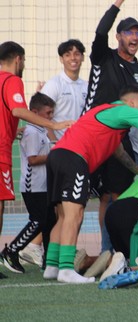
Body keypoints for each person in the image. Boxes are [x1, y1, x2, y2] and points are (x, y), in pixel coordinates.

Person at [42, 85, 138, 284]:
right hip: (74, 158)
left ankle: (52, 265)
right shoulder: (124, 111)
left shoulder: (107, 114)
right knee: (76, 215)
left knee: (64, 216)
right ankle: (66, 269)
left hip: (58, 156)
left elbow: (118, 152)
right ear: (131, 102)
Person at [82, 0, 138, 254]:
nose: (134, 36)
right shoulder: (104, 57)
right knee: (75, 198)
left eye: (137, 32)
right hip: (91, 135)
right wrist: (116, 5)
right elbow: (99, 32)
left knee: (114, 195)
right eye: (129, 32)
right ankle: (53, 253)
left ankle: (111, 251)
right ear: (118, 36)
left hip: (119, 140)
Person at [0, 41, 73, 279]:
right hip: (3, 158)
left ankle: (42, 258)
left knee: (47, 217)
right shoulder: (11, 81)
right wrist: (54, 124)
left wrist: (14, 132)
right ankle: (12, 251)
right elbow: (18, 111)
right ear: (18, 59)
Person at [1, 93, 57, 274]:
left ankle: (49, 261)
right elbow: (32, 159)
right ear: (34, 112)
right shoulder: (32, 132)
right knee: (38, 221)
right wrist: (53, 157)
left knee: (50, 221)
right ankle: (10, 251)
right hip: (33, 185)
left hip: (43, 185)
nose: (51, 117)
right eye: (47, 113)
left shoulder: (40, 131)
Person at [40, 39, 87, 141]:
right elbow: (42, 117)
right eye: (67, 55)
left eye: (77, 54)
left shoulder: (86, 86)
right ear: (61, 59)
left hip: (82, 145)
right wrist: (54, 143)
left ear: (82, 57)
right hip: (61, 146)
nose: (73, 58)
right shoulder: (53, 84)